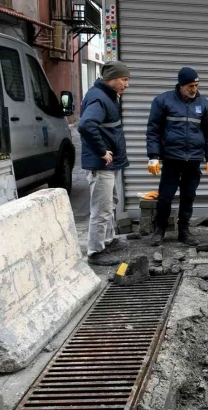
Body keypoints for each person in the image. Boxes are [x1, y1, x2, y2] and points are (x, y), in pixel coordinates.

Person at [146, 67, 208, 247]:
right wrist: (153, 156)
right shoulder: (163, 101)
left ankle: (184, 231)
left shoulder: (204, 104)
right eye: (190, 86)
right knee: (166, 196)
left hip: (193, 159)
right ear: (181, 85)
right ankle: (159, 230)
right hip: (171, 158)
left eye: (196, 85)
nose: (194, 89)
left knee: (188, 196)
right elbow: (153, 131)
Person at [79, 60, 131, 265]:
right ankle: (95, 251)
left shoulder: (109, 96)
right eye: (123, 80)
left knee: (111, 203)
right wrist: (101, 151)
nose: (127, 84)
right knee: (101, 208)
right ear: (111, 79)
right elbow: (85, 125)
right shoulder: (99, 98)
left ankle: (107, 241)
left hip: (111, 164)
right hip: (101, 166)